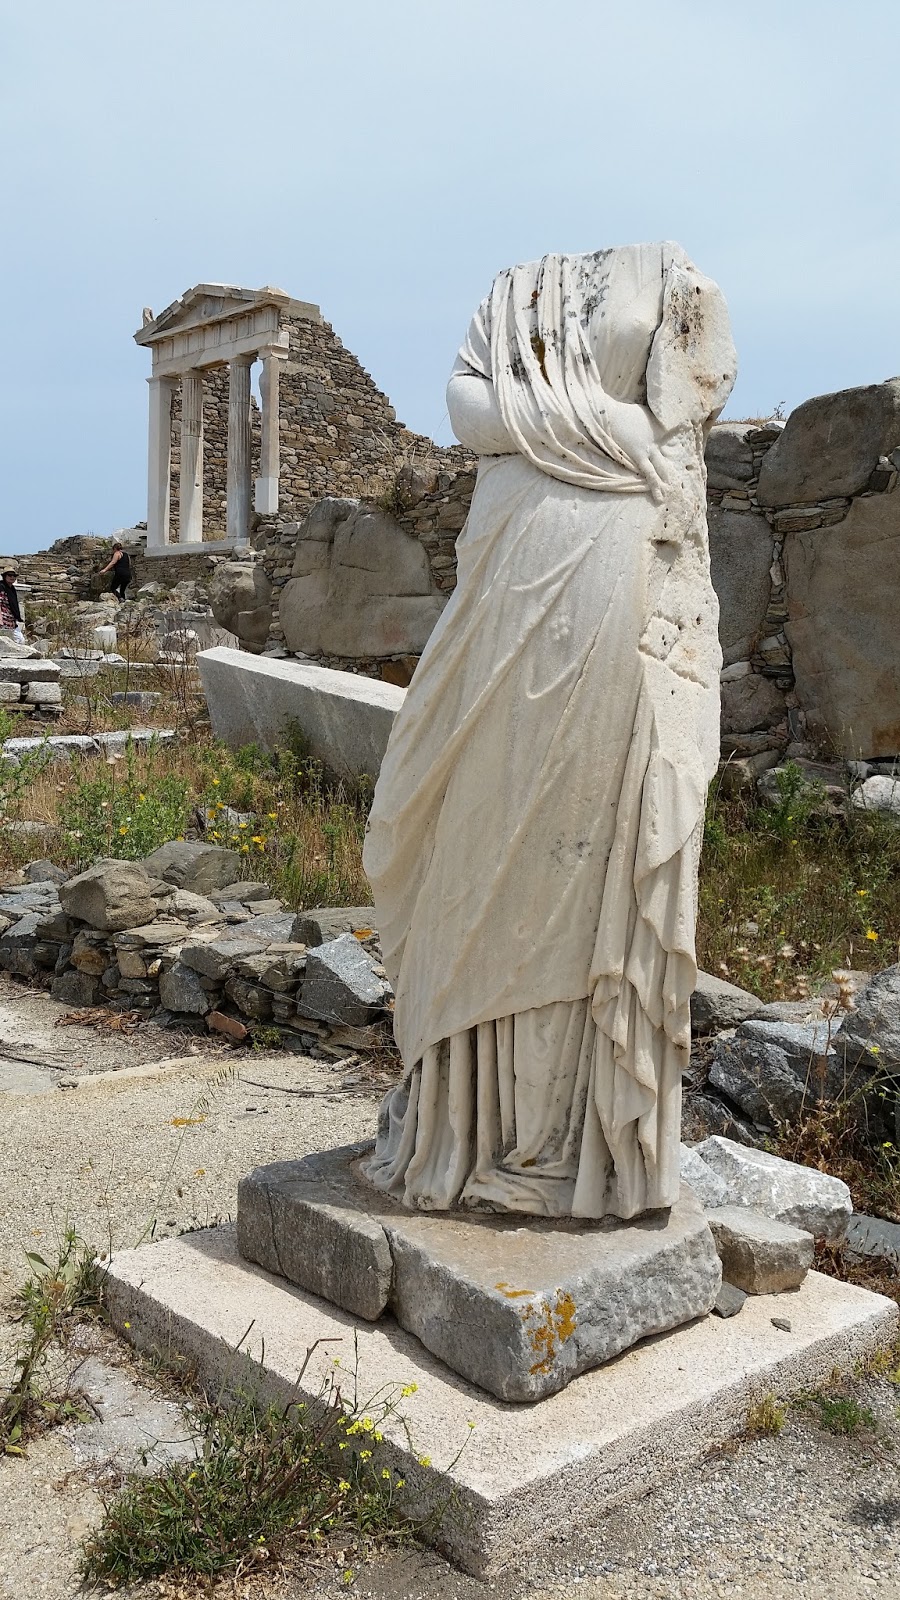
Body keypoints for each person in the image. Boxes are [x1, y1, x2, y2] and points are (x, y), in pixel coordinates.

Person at [362, 243, 736, 1221]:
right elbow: (466, 407)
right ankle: (470, 1122)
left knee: (585, 837)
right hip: (506, 562)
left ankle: (568, 1140)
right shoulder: (510, 289)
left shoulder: (678, 281)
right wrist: (601, 426)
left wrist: (533, 425)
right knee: (468, 832)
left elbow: (679, 421)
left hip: (616, 566)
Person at [0, 569, 25, 643]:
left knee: (20, 640)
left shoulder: (12, 589)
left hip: (11, 622)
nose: (12, 577)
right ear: (5, 576)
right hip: (3, 621)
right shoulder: (1, 587)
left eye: (14, 576)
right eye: (10, 575)